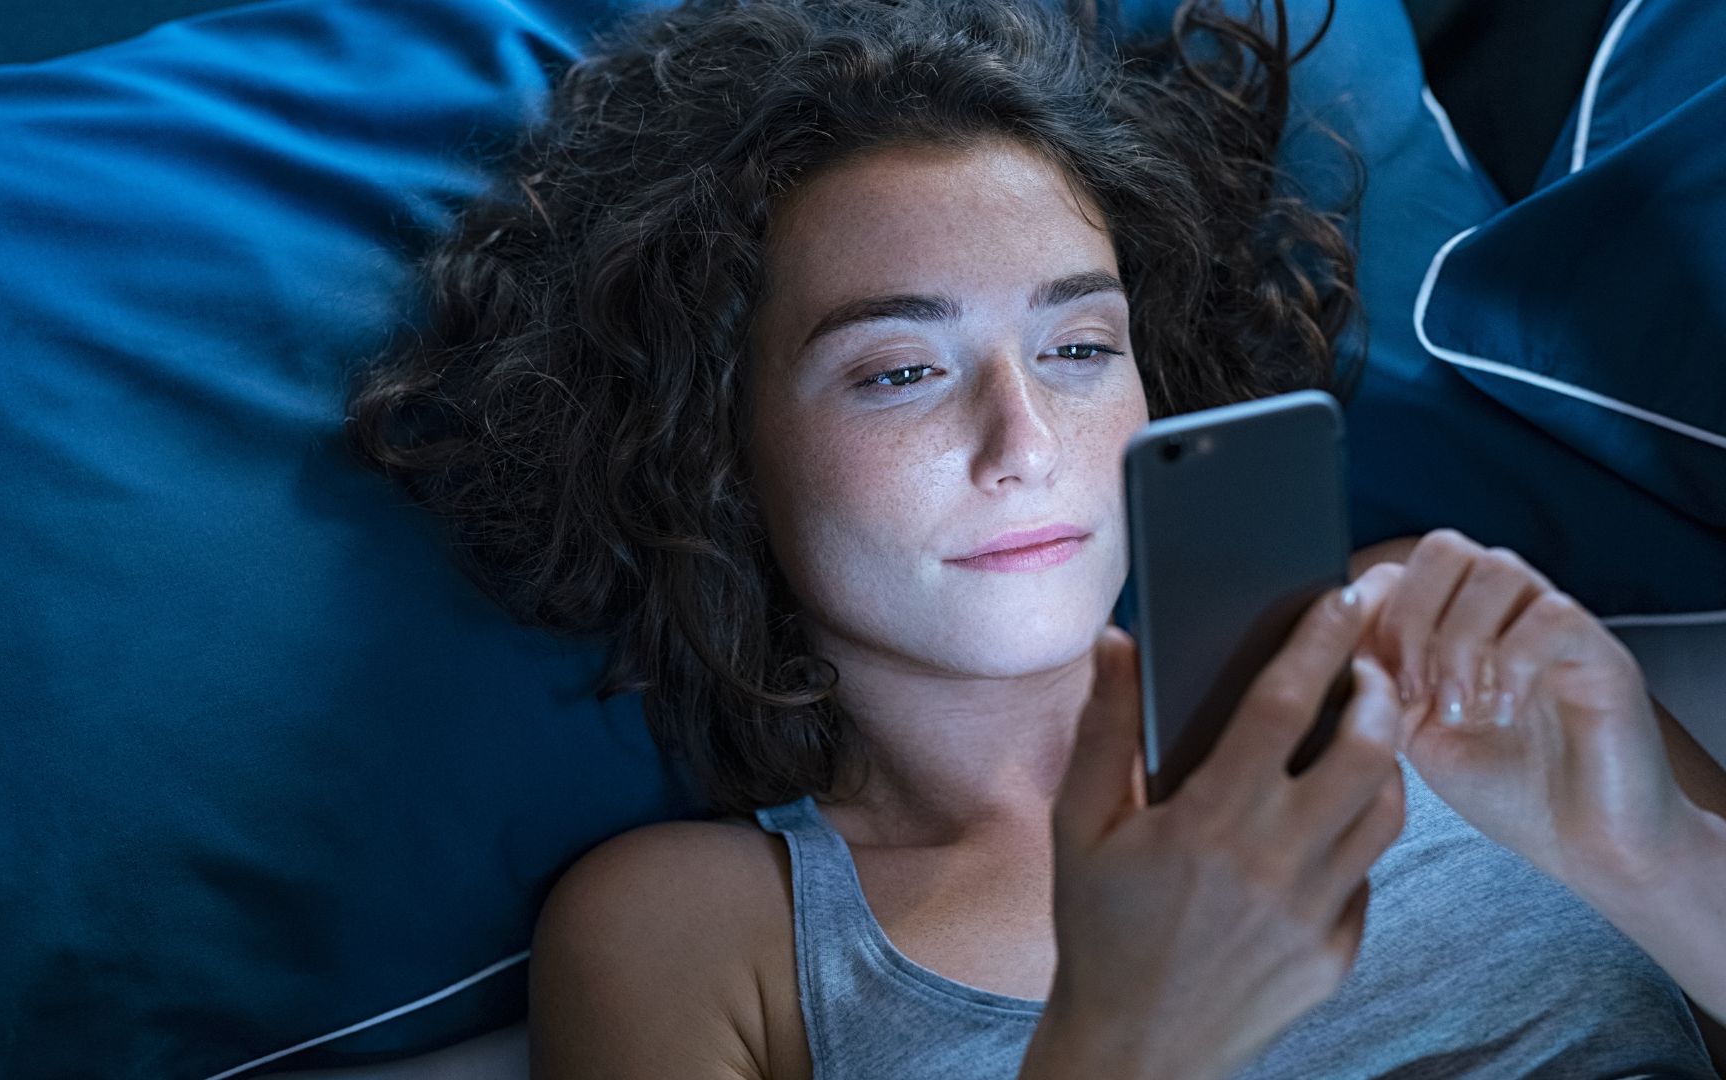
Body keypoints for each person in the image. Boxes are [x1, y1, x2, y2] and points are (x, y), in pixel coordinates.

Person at [345, 0, 1726, 1076]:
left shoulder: (1435, 645)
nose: (1027, 443)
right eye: (900, 371)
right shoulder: (697, 936)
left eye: (1078, 347)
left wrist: (1654, 856)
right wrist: (1127, 1036)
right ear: (713, 444)